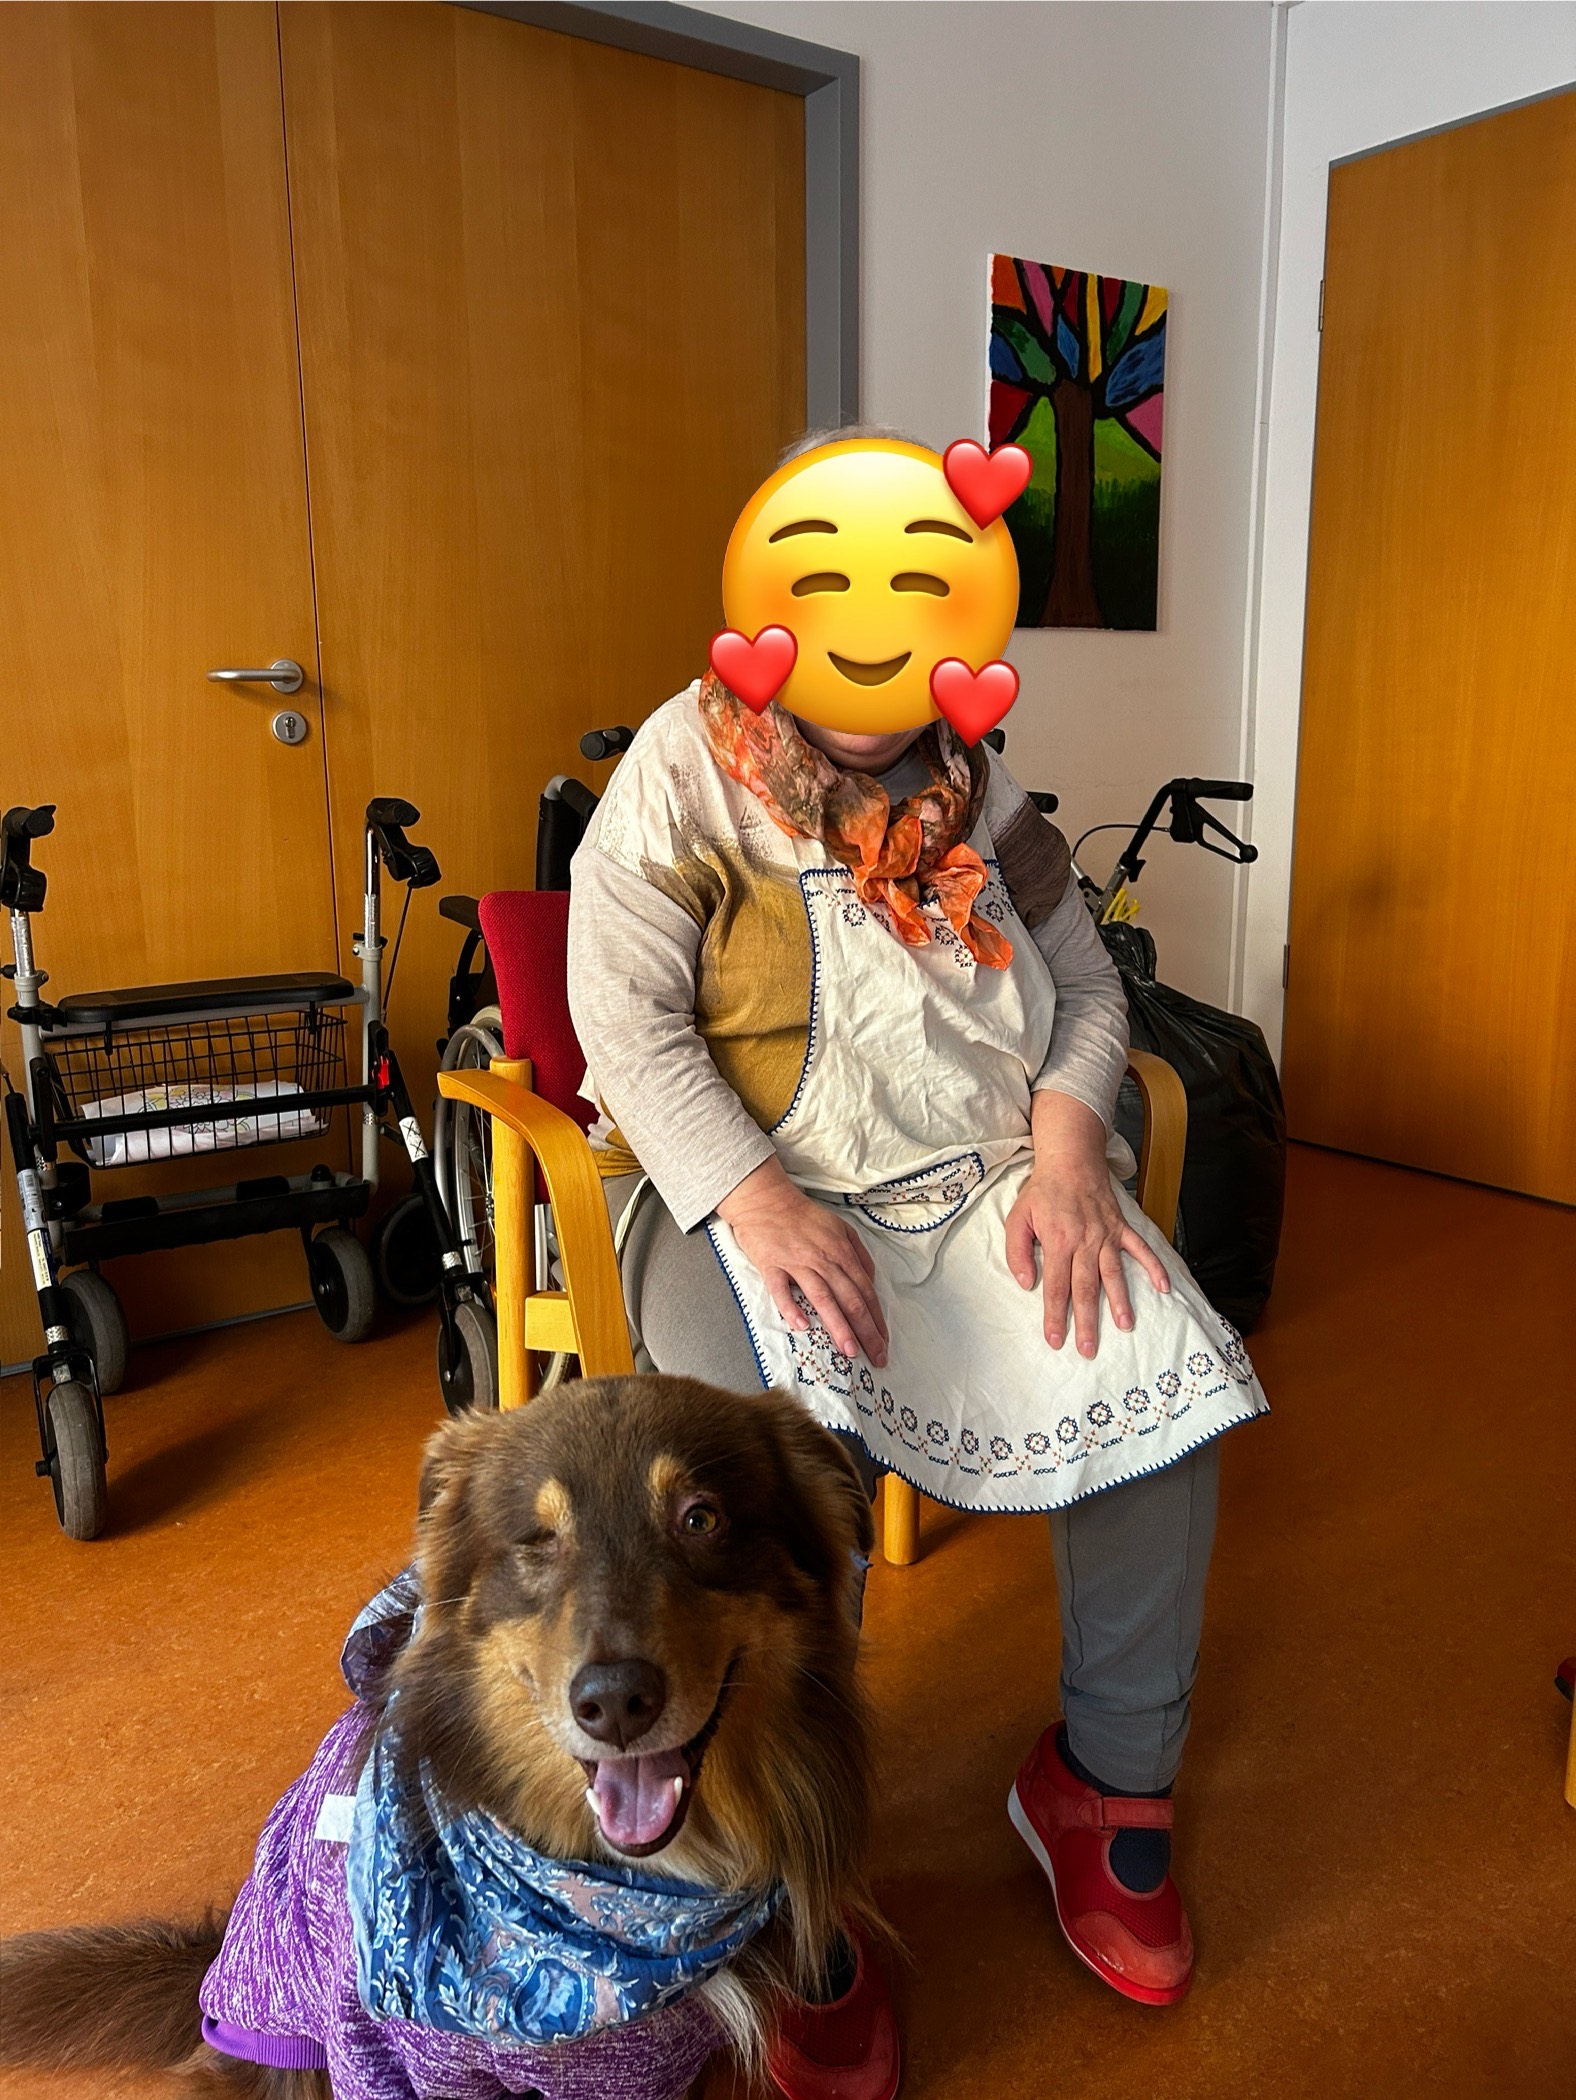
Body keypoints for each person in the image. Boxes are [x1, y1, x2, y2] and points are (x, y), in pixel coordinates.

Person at [566, 444, 1267, 2099]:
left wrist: (1075, 1141)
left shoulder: (982, 788)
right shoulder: (679, 773)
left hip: (984, 1178)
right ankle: (790, 1885)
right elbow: (625, 1023)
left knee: (1153, 1379)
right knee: (768, 1474)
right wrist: (755, 1200)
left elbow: (1088, 988)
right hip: (741, 1191)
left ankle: (1108, 1788)